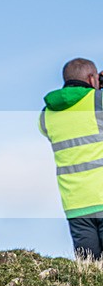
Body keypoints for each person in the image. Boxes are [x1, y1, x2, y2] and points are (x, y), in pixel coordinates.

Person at [40, 58, 103, 260]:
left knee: (90, 270)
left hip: (75, 204)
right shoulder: (97, 101)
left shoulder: (46, 115)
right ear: (92, 78)